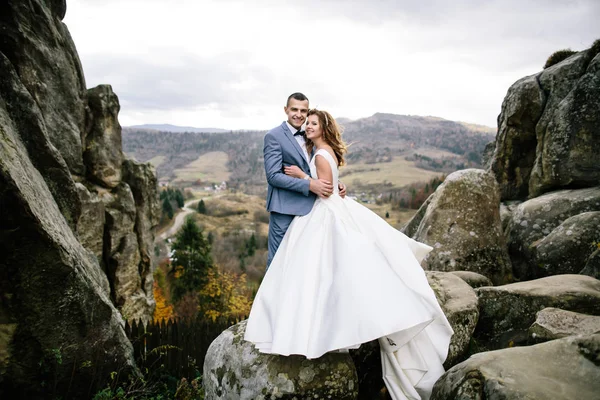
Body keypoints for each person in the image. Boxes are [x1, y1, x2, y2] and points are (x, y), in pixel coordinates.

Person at [245, 109, 454, 400]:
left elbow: (326, 190)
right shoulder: (323, 150)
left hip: (323, 213)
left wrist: (303, 177)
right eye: (306, 123)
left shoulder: (319, 154)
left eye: (312, 123)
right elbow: (331, 186)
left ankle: (308, 330)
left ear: (323, 128)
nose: (307, 126)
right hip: (325, 207)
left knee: (314, 271)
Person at [263, 92, 346, 268]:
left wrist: (332, 183)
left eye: (303, 111)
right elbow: (273, 176)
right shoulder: (274, 136)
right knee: (279, 262)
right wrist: (309, 184)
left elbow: (317, 167)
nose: (299, 114)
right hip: (285, 209)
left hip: (313, 211)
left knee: (304, 265)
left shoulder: (310, 136)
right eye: (294, 109)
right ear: (286, 110)